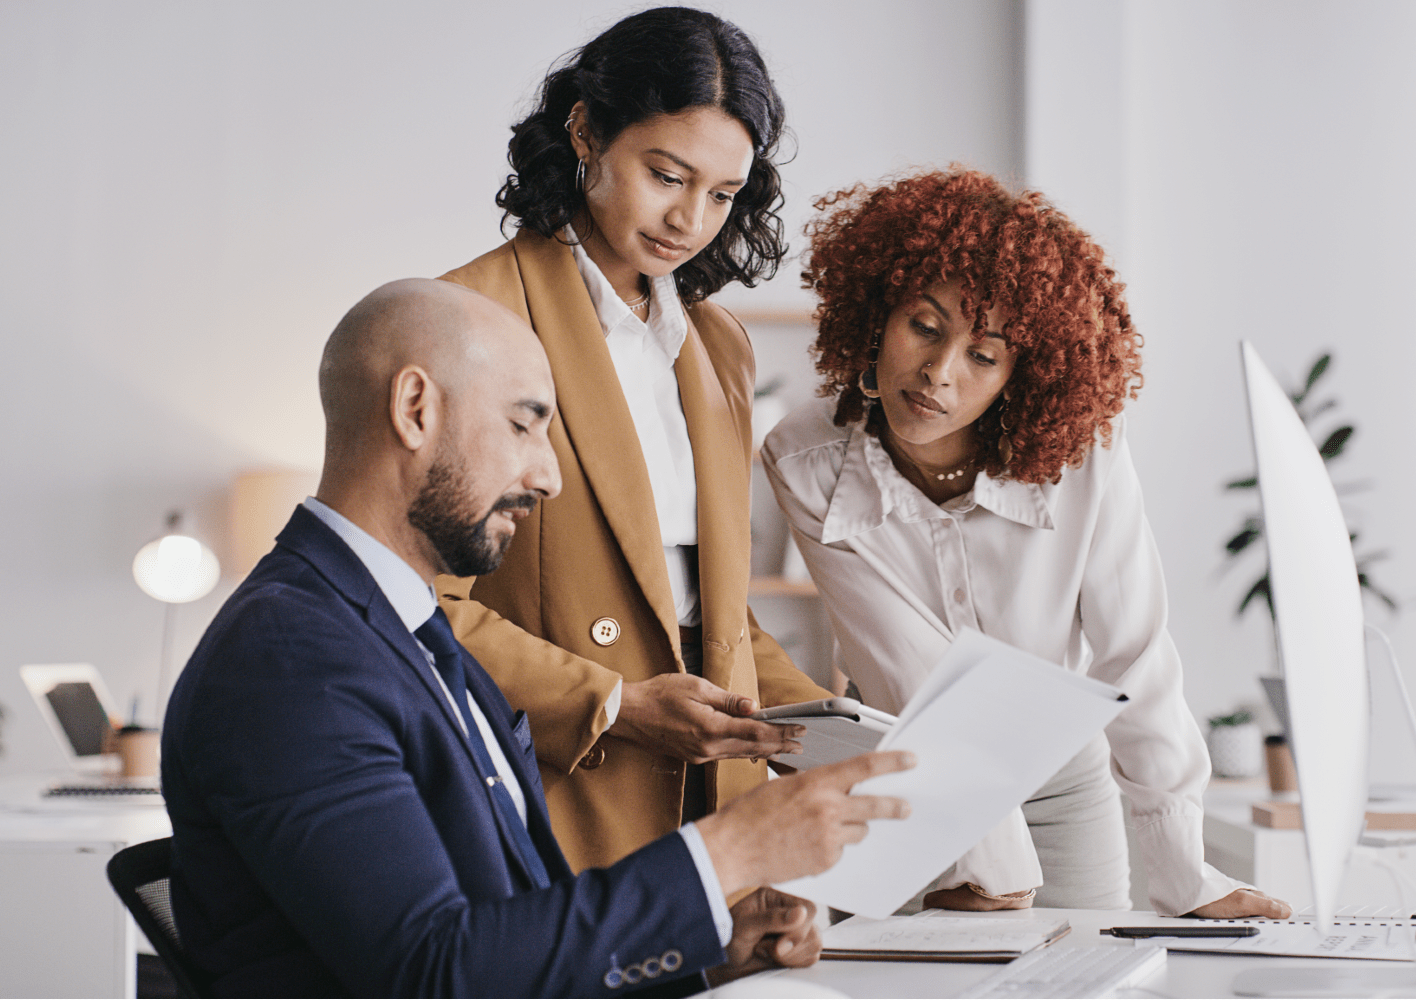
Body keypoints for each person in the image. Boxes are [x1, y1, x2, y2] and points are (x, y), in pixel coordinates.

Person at [160, 278, 913, 996]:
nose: (550, 477)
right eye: (524, 423)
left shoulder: (407, 630)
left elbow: (509, 945)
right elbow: (432, 974)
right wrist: (730, 854)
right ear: (415, 408)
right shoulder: (290, 661)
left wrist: (703, 962)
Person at [761, 168, 1291, 919]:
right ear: (879, 311)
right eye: (924, 326)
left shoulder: (1085, 454)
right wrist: (987, 865)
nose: (939, 374)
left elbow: (1133, 653)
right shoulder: (805, 458)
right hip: (909, 781)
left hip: (1065, 783)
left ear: (1022, 374)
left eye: (983, 355)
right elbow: (905, 665)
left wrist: (1184, 875)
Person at [437, 6, 831, 874]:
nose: (690, 218)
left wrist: (845, 732)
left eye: (723, 195)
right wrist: (613, 703)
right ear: (585, 130)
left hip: (712, 798)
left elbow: (706, 611)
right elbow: (418, 606)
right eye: (667, 174)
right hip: (555, 788)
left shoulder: (719, 345)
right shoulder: (472, 320)